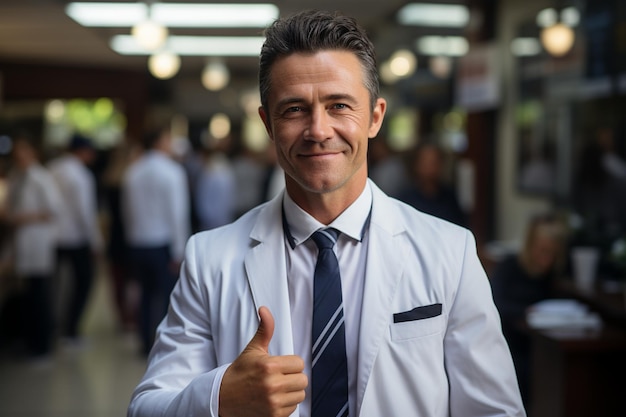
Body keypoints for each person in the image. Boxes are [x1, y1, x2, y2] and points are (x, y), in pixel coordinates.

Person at [128, 10, 525, 417]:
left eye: (339, 105)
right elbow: (146, 406)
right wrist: (217, 400)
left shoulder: (449, 252)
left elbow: (496, 410)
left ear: (374, 117)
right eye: (295, 109)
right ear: (267, 123)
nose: (318, 130)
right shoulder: (209, 259)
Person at [122, 128, 190, 356]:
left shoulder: (133, 170)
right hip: (163, 243)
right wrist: (180, 250)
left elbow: (127, 211)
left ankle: (144, 343)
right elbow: (177, 213)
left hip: (137, 241)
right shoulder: (172, 171)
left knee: (144, 294)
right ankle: (163, 346)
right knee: (167, 297)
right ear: (161, 141)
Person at [489, 213, 567, 407]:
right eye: (542, 251)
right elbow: (494, 304)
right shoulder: (509, 267)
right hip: (509, 344)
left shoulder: (554, 277)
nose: (546, 259)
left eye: (552, 254)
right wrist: (526, 312)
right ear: (530, 245)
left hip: (540, 346)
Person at [0, 131, 62, 360]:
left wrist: (21, 218)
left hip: (36, 241)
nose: (20, 156)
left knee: (39, 294)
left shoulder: (40, 177)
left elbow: (53, 209)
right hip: (20, 242)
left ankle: (42, 345)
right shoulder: (17, 175)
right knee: (26, 295)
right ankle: (26, 340)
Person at [48, 133, 104, 343]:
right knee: (84, 282)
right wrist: (96, 242)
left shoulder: (52, 168)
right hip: (75, 237)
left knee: (52, 286)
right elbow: (85, 213)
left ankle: (53, 327)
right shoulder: (81, 175)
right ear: (84, 151)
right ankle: (70, 329)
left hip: (52, 236)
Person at [397, 141, 468, 227]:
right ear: (416, 165)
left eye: (435, 162)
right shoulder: (405, 200)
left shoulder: (450, 198)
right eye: (426, 162)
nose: (431, 167)